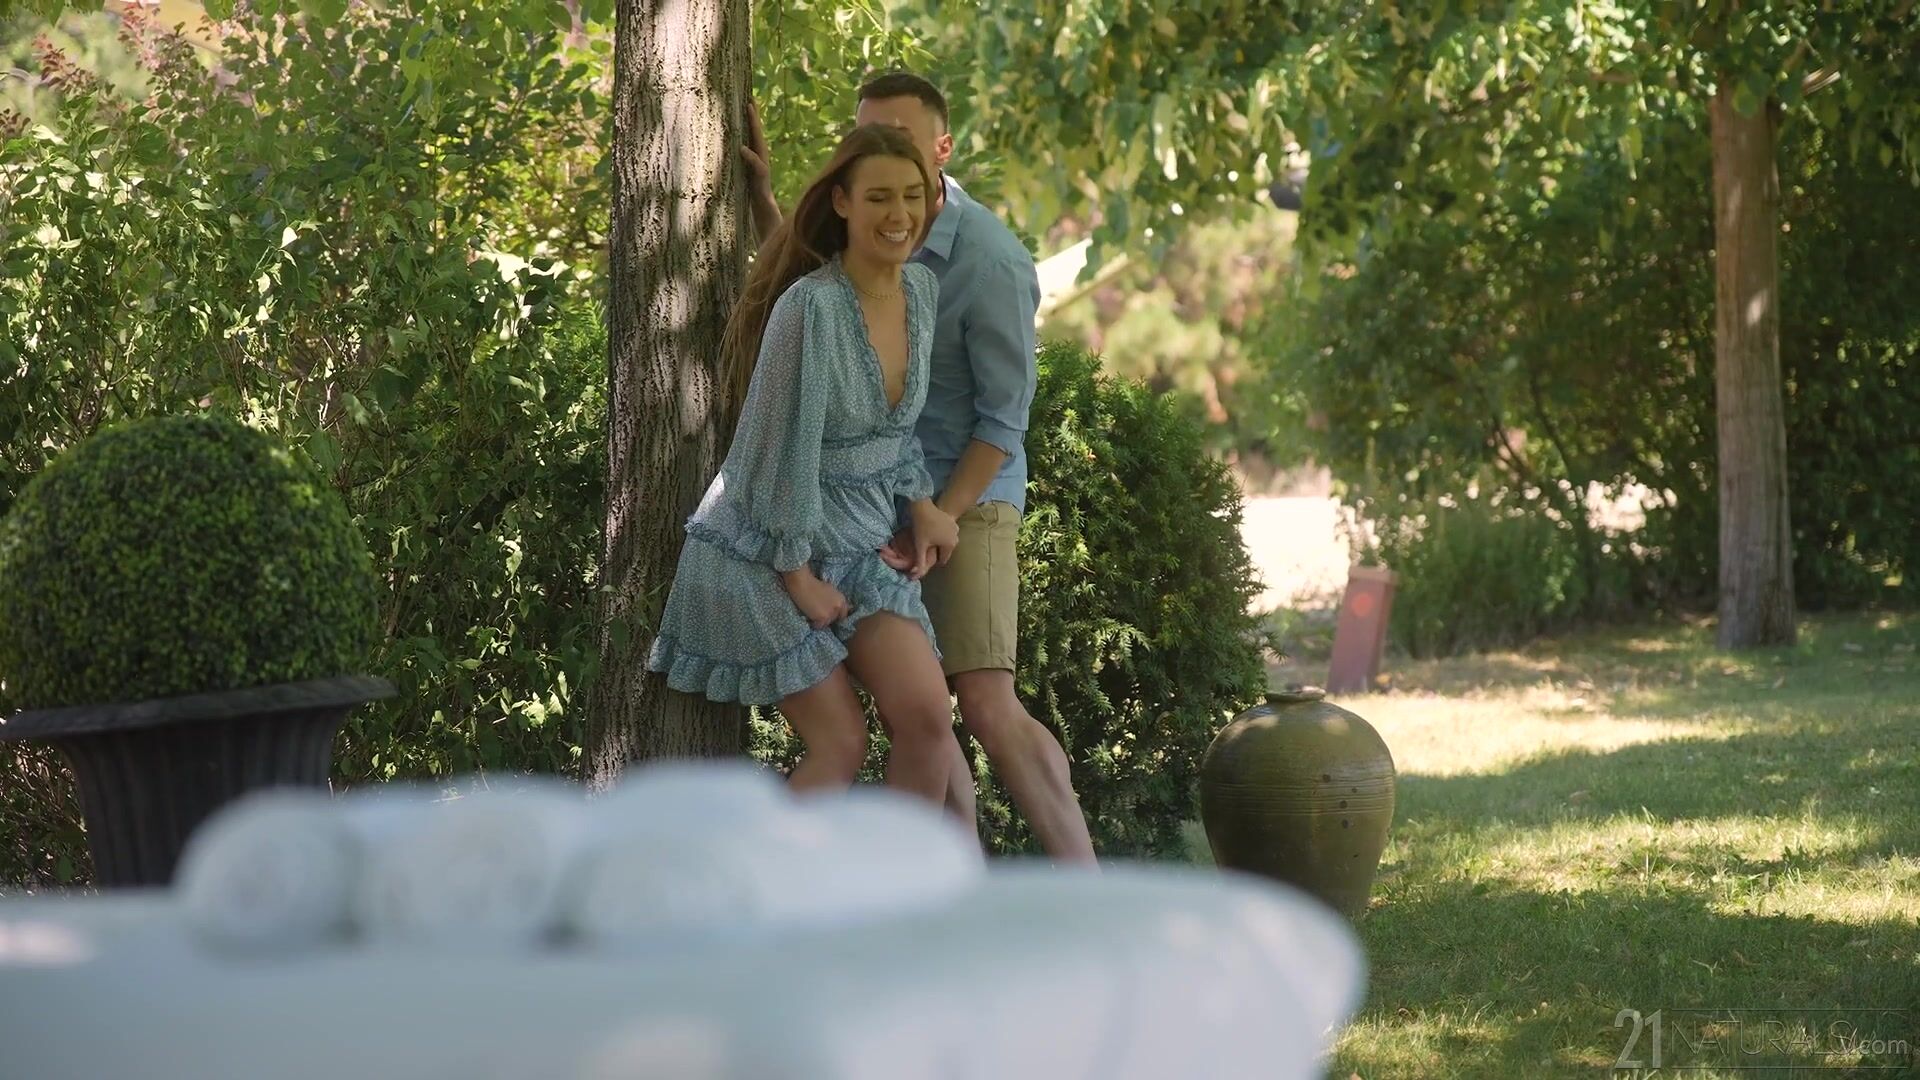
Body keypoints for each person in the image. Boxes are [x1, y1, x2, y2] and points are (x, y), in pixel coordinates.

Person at [743, 74, 1098, 863]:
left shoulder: (991, 261)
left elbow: (1003, 420)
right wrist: (764, 199)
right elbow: (812, 287)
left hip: (967, 496)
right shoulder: (873, 230)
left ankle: (1090, 884)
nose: (880, 152)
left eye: (901, 140)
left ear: (942, 150)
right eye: (865, 137)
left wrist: (941, 512)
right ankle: (949, 886)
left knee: (985, 700)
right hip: (876, 501)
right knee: (923, 712)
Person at [647, 123, 965, 809]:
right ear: (842, 203)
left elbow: (894, 431)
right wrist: (796, 574)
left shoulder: (921, 292)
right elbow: (773, 448)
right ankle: (761, 877)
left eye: (912, 196)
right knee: (841, 744)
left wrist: (920, 502)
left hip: (859, 543)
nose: (899, 214)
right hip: (765, 549)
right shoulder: (809, 308)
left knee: (928, 724)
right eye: (879, 197)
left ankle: (889, 877)